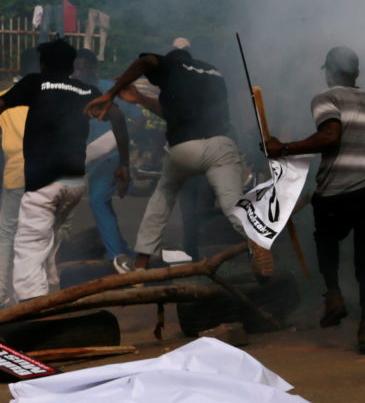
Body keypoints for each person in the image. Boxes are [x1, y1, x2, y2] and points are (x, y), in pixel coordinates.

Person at [265, 46, 365, 355]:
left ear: (328, 72)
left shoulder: (326, 98)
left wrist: (283, 148)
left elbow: (330, 136)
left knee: (325, 239)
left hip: (338, 192)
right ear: (356, 73)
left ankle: (333, 295)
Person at [84, 48, 248, 272]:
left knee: (162, 197)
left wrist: (111, 93)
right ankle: (258, 240)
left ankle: (141, 263)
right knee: (234, 205)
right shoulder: (212, 73)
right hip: (222, 146)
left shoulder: (172, 66)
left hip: (185, 148)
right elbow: (176, 112)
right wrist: (141, 99)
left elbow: (146, 61)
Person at [0, 39, 129, 301]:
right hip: (73, 184)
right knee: (48, 238)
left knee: (28, 245)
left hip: (42, 184)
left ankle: (32, 309)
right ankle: (52, 286)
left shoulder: (35, 82)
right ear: (71, 65)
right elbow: (117, 116)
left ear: (42, 64)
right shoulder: (86, 89)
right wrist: (124, 163)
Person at [74, 48, 140, 261]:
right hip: (91, 160)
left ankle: (116, 257)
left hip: (112, 157)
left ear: (94, 67)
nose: (78, 71)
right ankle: (123, 250)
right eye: (75, 67)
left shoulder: (110, 89)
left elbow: (138, 118)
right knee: (102, 202)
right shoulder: (72, 92)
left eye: (83, 66)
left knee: (97, 201)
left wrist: (120, 148)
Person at [0, 48, 40, 306]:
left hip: (14, 176)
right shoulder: (51, 98)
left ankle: (2, 293)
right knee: (40, 235)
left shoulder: (4, 98)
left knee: (6, 235)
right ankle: (39, 293)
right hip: (46, 177)